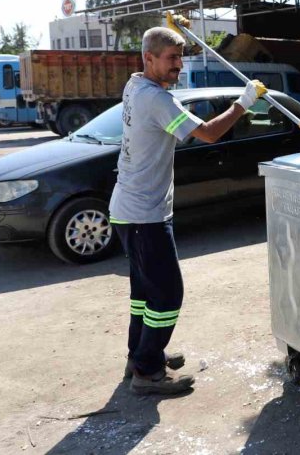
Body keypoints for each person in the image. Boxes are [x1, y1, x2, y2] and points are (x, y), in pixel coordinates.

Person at [109, 22, 267, 395]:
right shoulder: (156, 99)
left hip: (129, 210)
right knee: (167, 293)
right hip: (143, 214)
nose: (178, 66)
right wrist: (243, 102)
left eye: (180, 58)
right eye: (170, 59)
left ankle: (141, 355)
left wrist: (169, 42)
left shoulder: (135, 85)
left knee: (146, 292)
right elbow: (209, 133)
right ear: (148, 59)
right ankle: (147, 373)